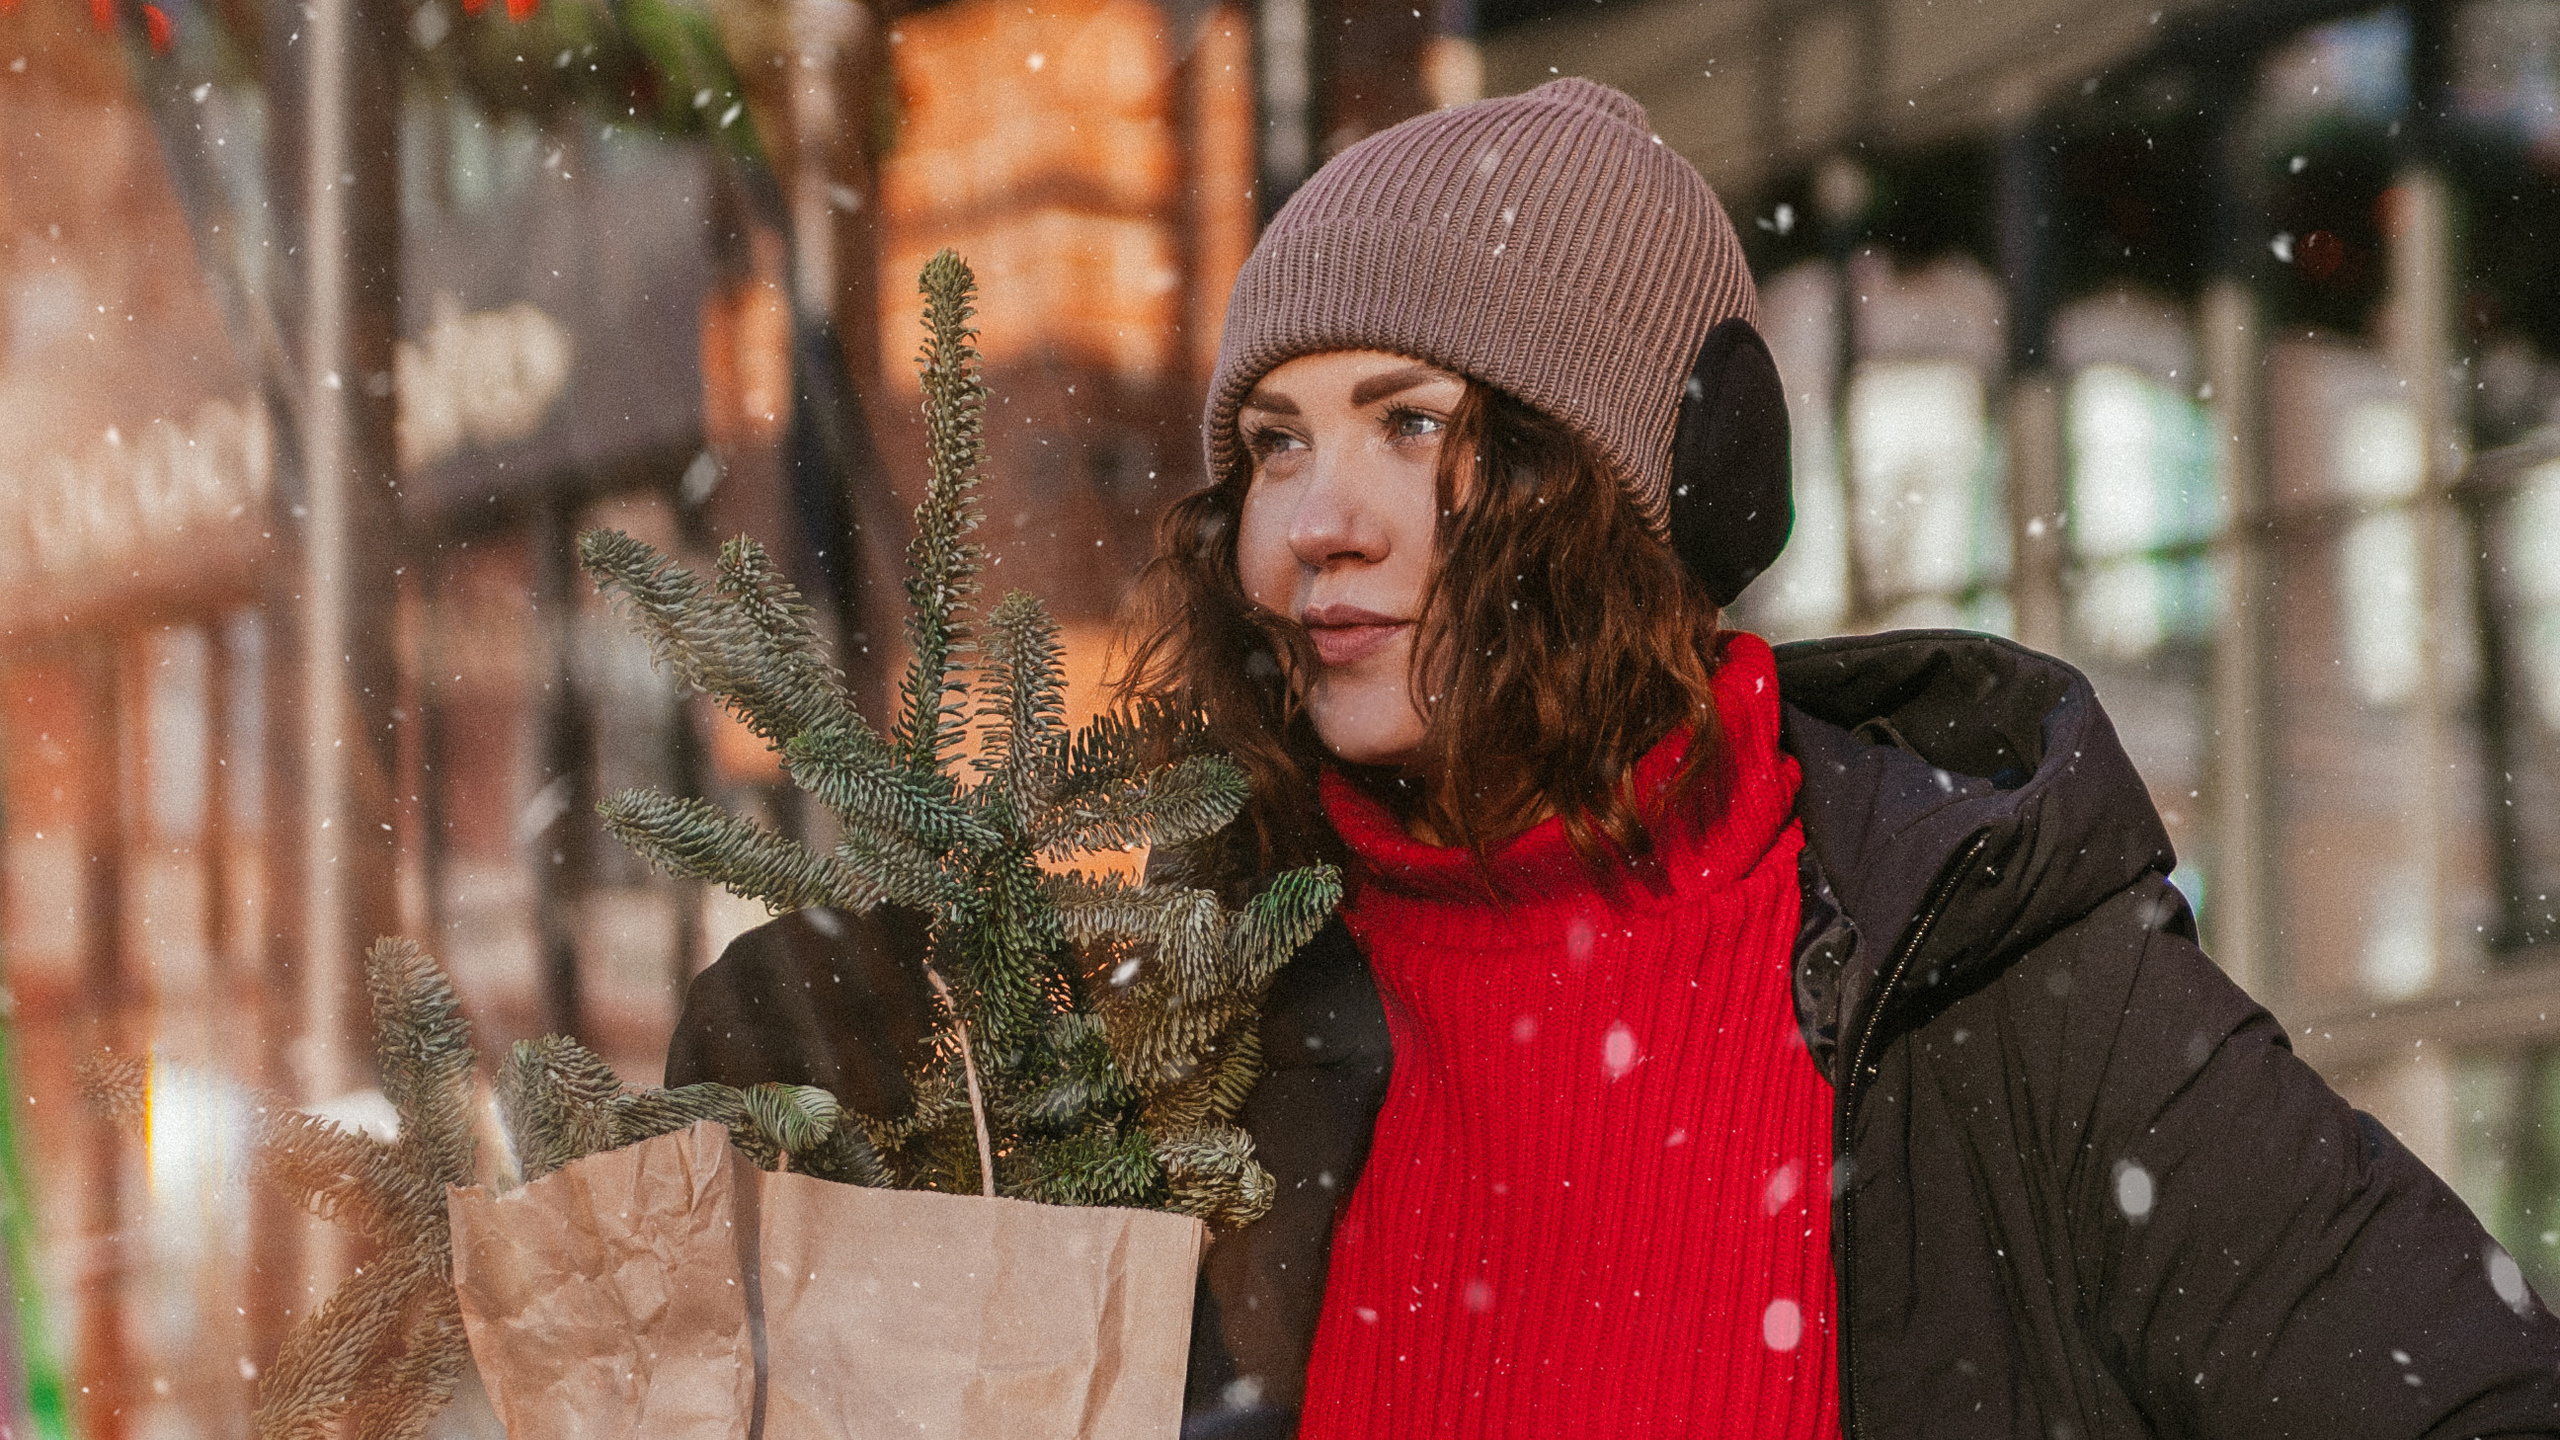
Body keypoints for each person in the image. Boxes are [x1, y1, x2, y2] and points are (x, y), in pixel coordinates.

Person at [669, 79, 2560, 1439]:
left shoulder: (1985, 973)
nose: (1309, 524)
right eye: (1271, 443)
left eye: (1407, 425)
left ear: (1649, 485)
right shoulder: (1207, 1033)